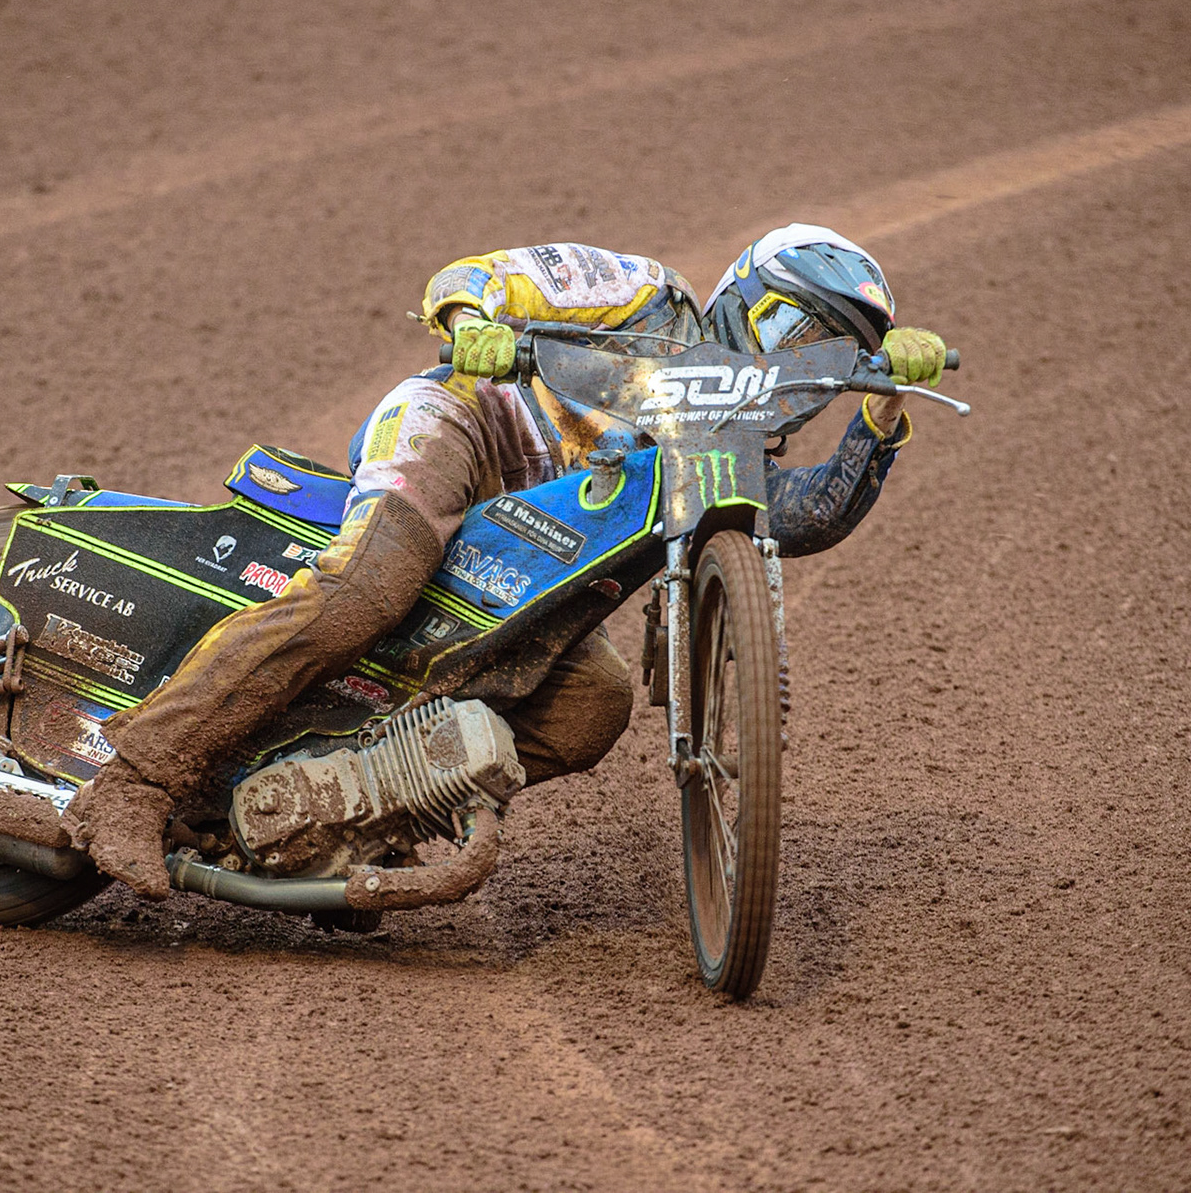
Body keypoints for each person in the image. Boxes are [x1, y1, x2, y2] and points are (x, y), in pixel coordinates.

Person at [65, 226, 951, 899]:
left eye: (823, 359)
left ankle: (353, 813)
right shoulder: (643, 295)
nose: (791, 364)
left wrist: (880, 416)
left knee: (589, 707)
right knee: (369, 588)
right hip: (468, 428)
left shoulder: (731, 447)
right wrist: (475, 322)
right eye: (790, 327)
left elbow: (811, 516)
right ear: (741, 297)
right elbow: (475, 278)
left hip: (537, 563)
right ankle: (135, 782)